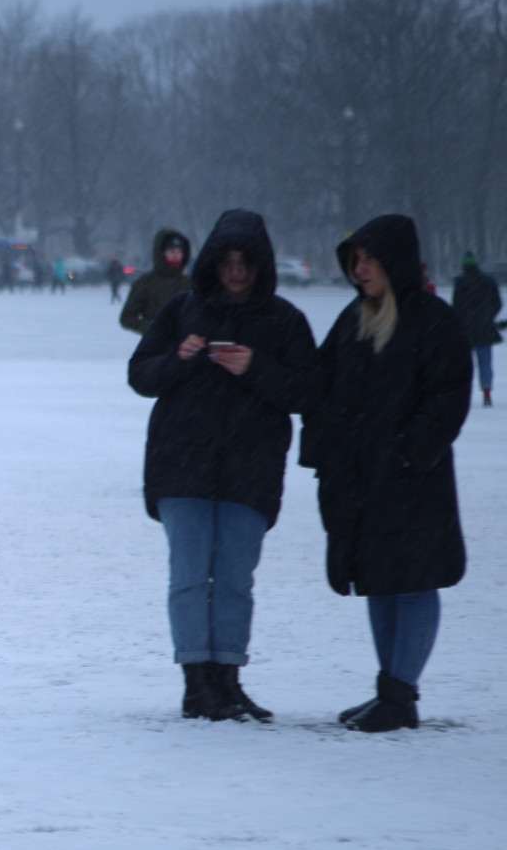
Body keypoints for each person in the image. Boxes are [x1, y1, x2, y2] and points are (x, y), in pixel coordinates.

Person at [128, 210, 318, 722]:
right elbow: (141, 376)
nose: (236, 272)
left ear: (261, 265)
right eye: (227, 261)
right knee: (189, 577)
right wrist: (179, 359)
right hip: (182, 466)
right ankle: (197, 684)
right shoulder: (181, 310)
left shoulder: (284, 321)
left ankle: (228, 682)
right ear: (212, 261)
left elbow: (310, 390)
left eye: (245, 262)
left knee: (234, 580)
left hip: (249, 471)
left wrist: (256, 367)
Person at [300, 215, 470, 732]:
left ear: (394, 261)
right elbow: (321, 386)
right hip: (362, 481)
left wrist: (405, 454)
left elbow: (446, 400)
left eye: (370, 259)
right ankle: (391, 691)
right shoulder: (354, 320)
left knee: (413, 584)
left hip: (412, 482)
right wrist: (327, 450)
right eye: (355, 261)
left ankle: (399, 694)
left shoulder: (434, 322)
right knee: (379, 582)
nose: (361, 269)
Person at [451, 252, 503, 407]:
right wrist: (488, 316)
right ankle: (487, 393)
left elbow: (456, 306)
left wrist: (463, 319)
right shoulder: (488, 281)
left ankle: (462, 395)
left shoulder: (460, 283)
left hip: (465, 330)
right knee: (485, 362)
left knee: (464, 365)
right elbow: (498, 303)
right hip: (484, 328)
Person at [120, 229, 191, 335]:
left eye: (179, 251)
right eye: (171, 251)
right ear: (162, 253)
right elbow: (127, 317)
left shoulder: (190, 283)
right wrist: (152, 328)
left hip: (184, 346)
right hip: (154, 345)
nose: (176, 255)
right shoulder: (146, 282)